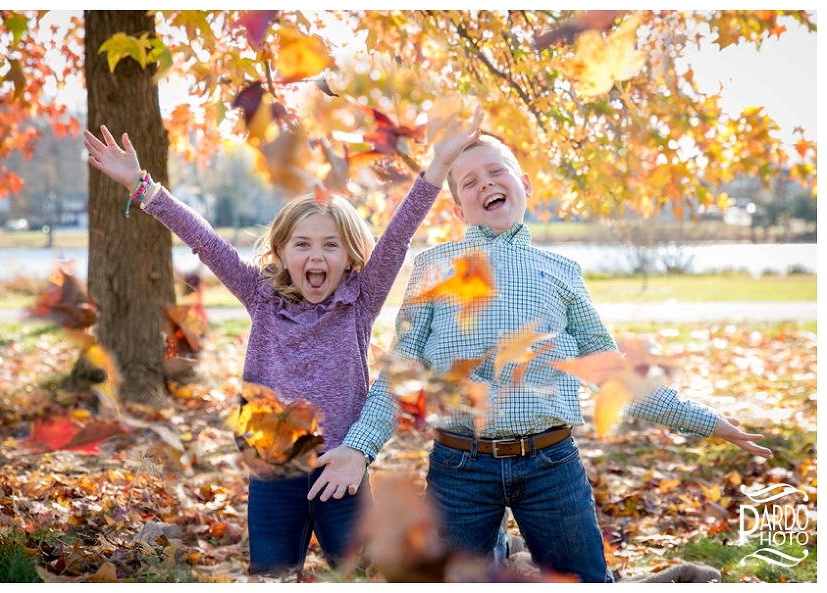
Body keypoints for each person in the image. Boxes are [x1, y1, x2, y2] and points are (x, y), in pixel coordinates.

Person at [313, 134, 774, 582]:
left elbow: (610, 371)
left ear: (525, 183)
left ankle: (513, 556)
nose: (485, 184)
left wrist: (706, 421)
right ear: (458, 209)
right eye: (469, 182)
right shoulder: (434, 267)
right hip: (461, 468)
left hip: (550, 464)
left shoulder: (561, 272)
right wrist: (359, 447)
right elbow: (402, 371)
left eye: (496, 171)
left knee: (585, 580)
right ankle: (502, 556)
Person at [82, 107, 485, 576]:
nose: (317, 255)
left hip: (341, 469)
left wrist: (437, 167)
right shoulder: (260, 295)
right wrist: (143, 186)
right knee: (271, 574)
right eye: (304, 244)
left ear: (351, 255)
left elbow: (397, 236)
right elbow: (206, 241)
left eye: (331, 245)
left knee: (355, 575)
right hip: (274, 472)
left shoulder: (359, 300)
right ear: (281, 252)